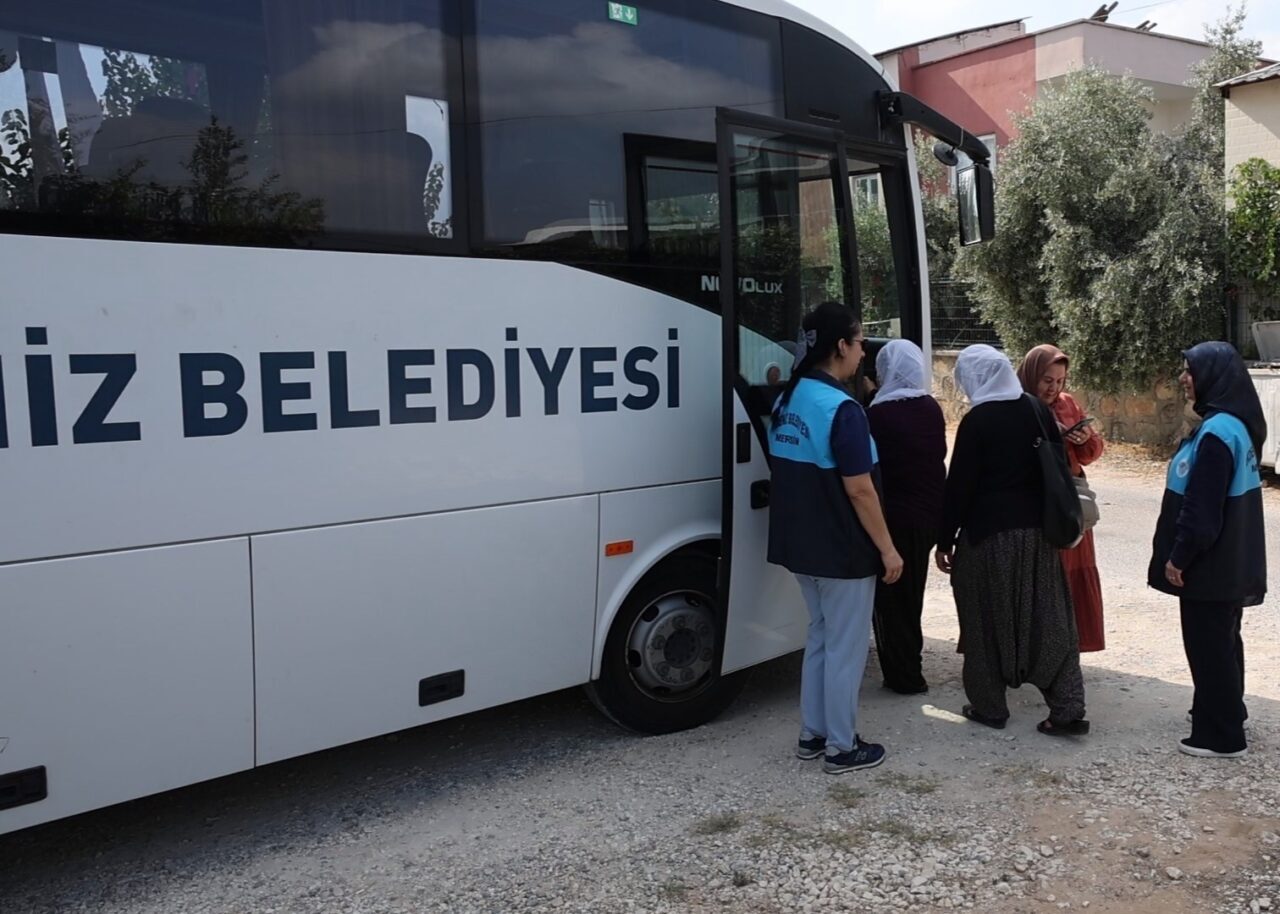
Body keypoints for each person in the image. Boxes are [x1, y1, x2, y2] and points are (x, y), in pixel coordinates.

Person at [767, 301, 904, 774]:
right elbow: (860, 488)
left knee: (822, 639)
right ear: (841, 345)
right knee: (845, 648)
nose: (864, 351)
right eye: (861, 341)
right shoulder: (842, 408)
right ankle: (842, 748)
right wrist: (887, 549)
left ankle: (813, 733)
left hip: (801, 545)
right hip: (841, 550)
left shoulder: (791, 397)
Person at [936, 345, 1089, 736]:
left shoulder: (978, 420)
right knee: (1049, 618)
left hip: (988, 538)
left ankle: (990, 706)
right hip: (1039, 535)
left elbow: (960, 487)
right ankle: (1068, 709)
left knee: (984, 618)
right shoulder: (1035, 409)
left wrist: (944, 538)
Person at [1148, 342, 1267, 759]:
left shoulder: (1217, 434)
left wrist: (1179, 558)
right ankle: (1227, 710)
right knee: (1223, 639)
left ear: (1213, 377)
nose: (1184, 378)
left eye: (1190, 371)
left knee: (1208, 644)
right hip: (1230, 561)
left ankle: (1220, 736)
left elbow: (1202, 513)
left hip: (1210, 563)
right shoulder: (1234, 426)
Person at [867, 339, 947, 694]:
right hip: (929, 515)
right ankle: (910, 667)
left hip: (894, 519)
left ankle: (903, 676)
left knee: (892, 601)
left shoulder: (876, 414)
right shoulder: (930, 407)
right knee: (913, 595)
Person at [1017, 344, 1106, 652]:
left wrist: (1084, 439)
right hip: (1037, 505)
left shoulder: (1067, 403)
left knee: (1073, 574)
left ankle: (1069, 646)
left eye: (1060, 381)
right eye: (1047, 381)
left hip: (1071, 502)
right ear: (1031, 376)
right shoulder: (1018, 405)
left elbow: (1091, 453)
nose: (1054, 389)